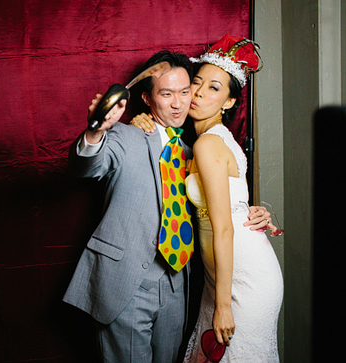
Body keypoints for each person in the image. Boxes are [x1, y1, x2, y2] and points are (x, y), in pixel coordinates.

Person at [63, 50, 272, 363]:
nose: (178, 103)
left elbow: (217, 203)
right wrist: (96, 130)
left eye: (185, 91)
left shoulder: (193, 150)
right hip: (126, 282)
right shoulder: (124, 135)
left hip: (177, 283)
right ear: (147, 99)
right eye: (167, 93)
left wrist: (257, 210)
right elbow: (85, 167)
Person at [132, 35, 283, 362]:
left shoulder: (207, 145)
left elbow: (225, 228)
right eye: (196, 83)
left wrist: (224, 307)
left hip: (241, 278)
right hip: (222, 277)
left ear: (229, 102)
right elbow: (234, 201)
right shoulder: (212, 140)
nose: (198, 93)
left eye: (214, 88)